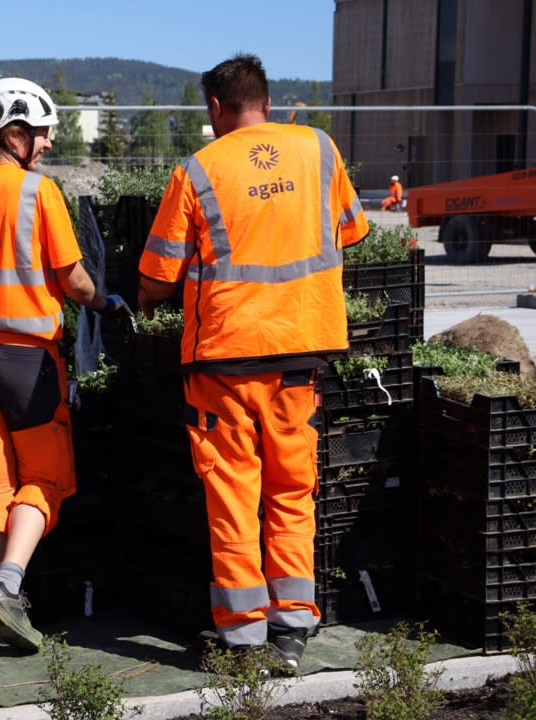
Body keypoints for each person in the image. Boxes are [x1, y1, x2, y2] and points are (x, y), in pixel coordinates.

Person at [137, 54, 368, 672]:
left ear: (215, 108)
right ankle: (293, 627)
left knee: (234, 492)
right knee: (293, 489)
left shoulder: (199, 168)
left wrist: (144, 298)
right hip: (300, 351)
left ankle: (243, 634)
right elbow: (351, 230)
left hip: (226, 358)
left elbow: (159, 274)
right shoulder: (318, 148)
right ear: (267, 99)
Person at [0, 77, 128, 652]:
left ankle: (5, 601)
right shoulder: (39, 194)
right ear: (14, 134)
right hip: (25, 365)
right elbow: (74, 279)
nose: (45, 145)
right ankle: (9, 587)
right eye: (40, 136)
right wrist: (102, 300)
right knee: (46, 479)